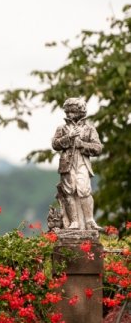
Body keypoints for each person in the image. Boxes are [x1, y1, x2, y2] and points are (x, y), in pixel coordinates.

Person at [52, 97, 103, 231]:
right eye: (67, 111)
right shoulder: (62, 128)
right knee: (69, 191)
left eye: (72, 111)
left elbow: (98, 148)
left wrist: (82, 145)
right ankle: (74, 221)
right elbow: (55, 144)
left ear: (81, 112)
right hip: (67, 165)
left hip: (82, 163)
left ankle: (89, 221)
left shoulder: (89, 129)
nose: (69, 114)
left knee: (84, 190)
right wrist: (69, 137)